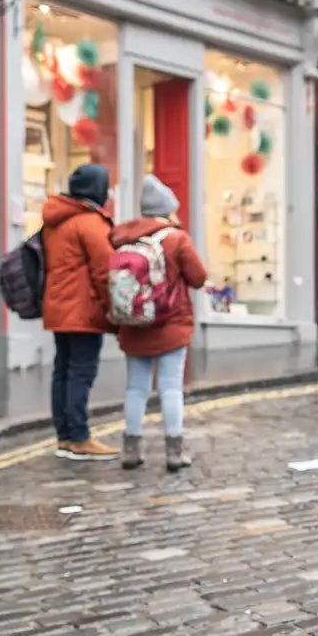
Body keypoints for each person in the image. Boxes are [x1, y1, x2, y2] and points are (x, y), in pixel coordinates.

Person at [113, 175, 207, 472]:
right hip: (171, 325)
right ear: (167, 209)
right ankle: (174, 451)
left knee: (135, 389)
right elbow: (199, 277)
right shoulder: (176, 238)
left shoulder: (124, 237)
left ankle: (131, 449)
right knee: (170, 389)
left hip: (134, 325)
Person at [40, 163, 121, 461]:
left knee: (62, 370)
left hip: (58, 307)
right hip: (83, 310)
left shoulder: (55, 220)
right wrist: (114, 309)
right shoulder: (90, 223)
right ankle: (80, 436)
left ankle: (64, 436)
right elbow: (106, 271)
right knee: (81, 373)